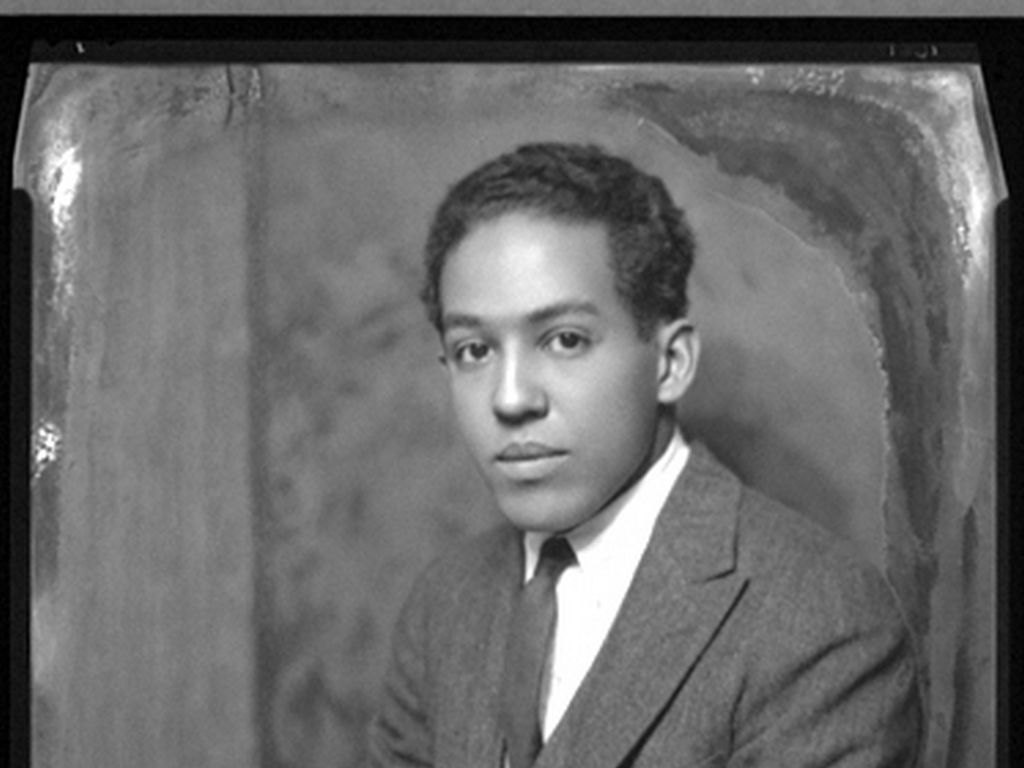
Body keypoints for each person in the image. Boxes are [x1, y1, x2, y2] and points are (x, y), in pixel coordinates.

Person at [369, 142, 921, 768]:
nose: (511, 398)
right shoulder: (444, 602)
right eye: (475, 350)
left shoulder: (821, 618)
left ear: (670, 363)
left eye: (565, 340)